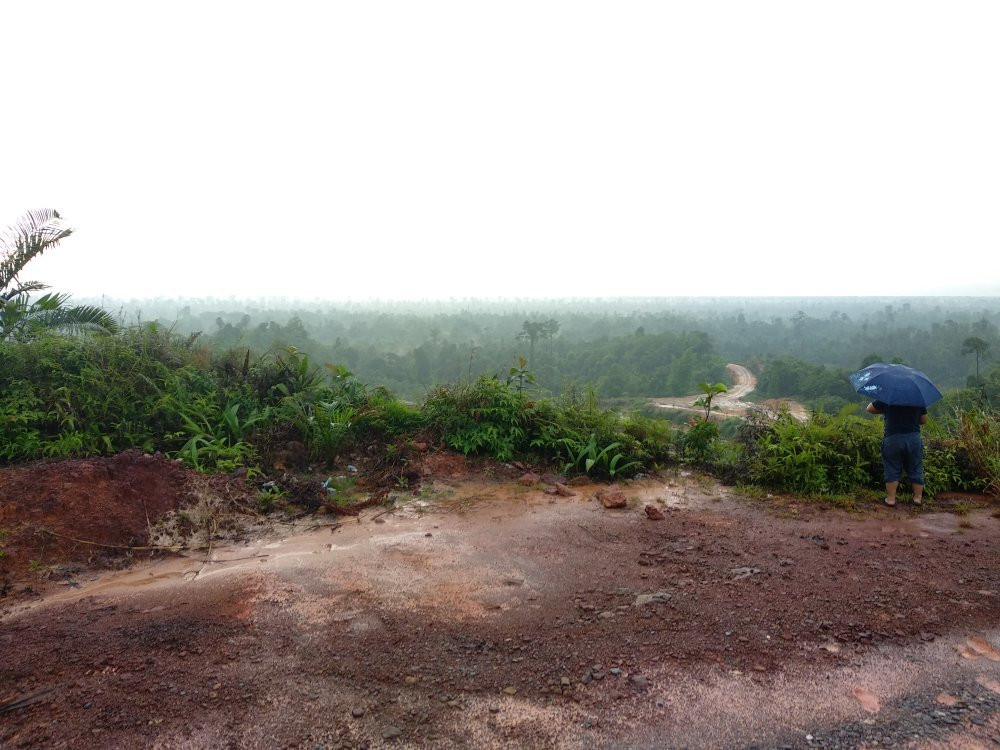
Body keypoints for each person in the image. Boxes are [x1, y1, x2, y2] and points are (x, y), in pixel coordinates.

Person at [867, 400, 928, 506]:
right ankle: (917, 498)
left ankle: (891, 499)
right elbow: (923, 420)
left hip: (893, 438)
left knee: (892, 467)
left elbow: (869, 408)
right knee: (916, 467)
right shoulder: (917, 399)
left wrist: (886, 410)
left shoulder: (888, 396)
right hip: (913, 438)